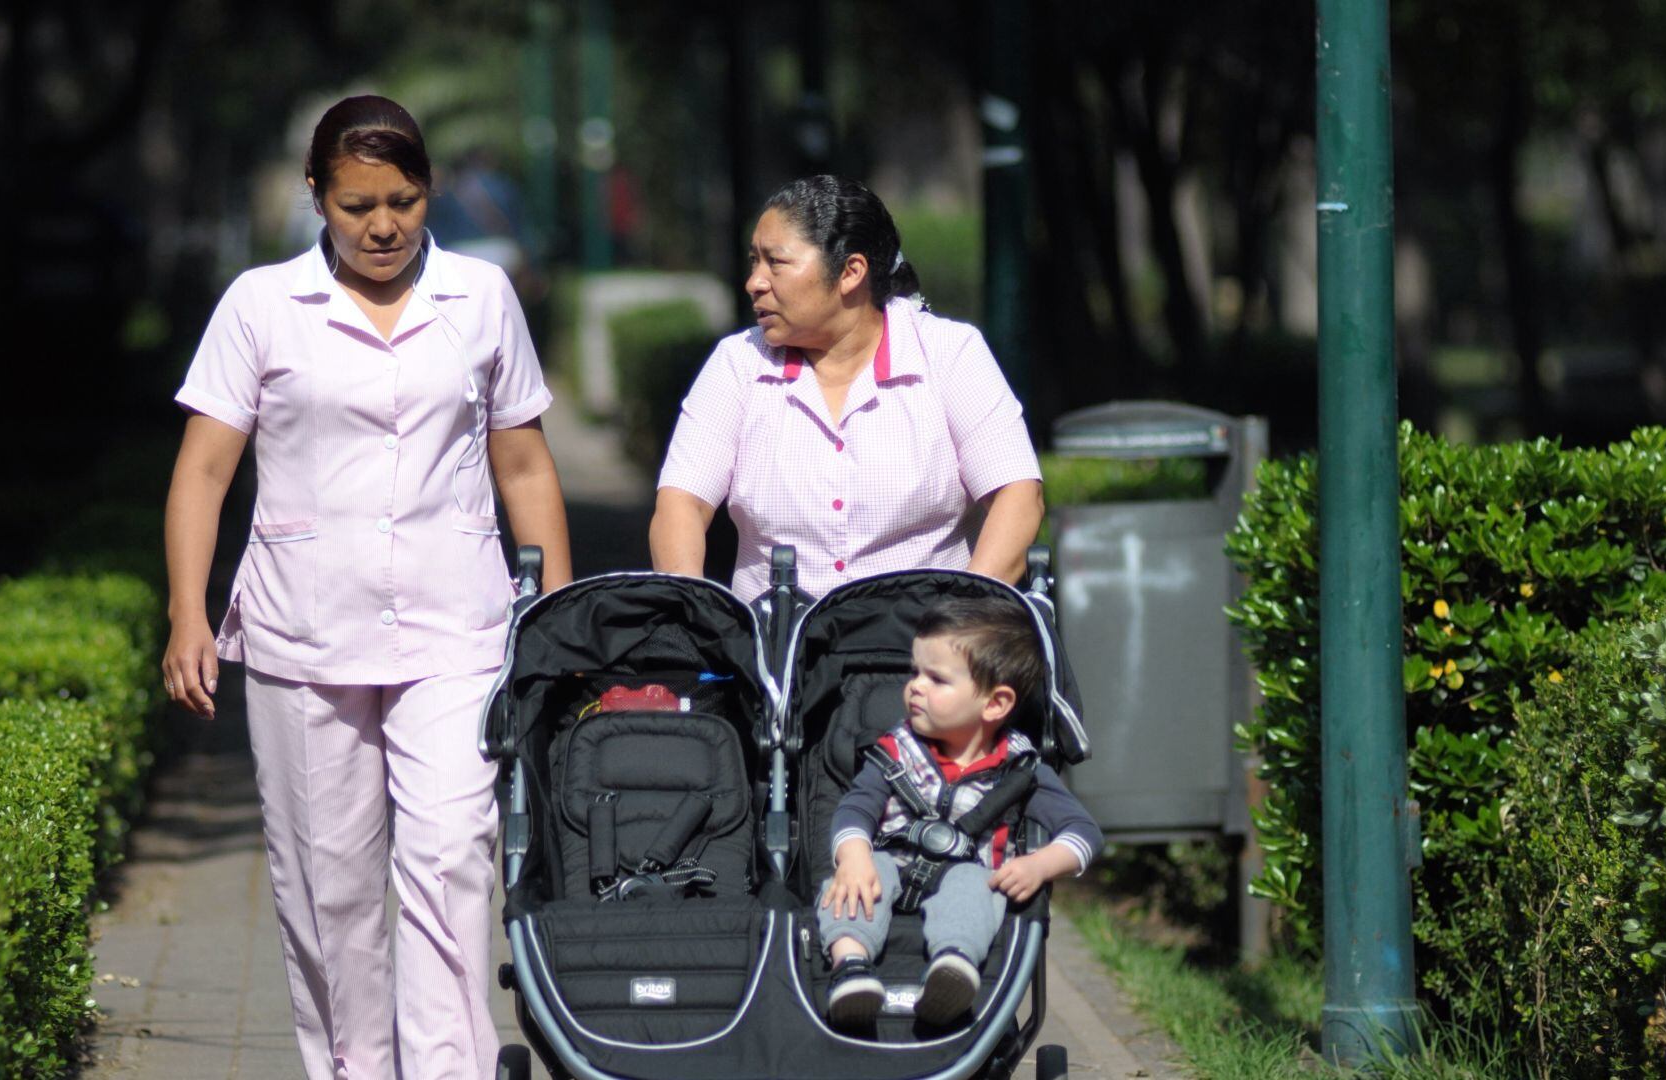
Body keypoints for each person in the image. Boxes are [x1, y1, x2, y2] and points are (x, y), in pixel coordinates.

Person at [159, 95, 571, 1079]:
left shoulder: (480, 296)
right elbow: (204, 470)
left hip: (456, 627)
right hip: (304, 631)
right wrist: (186, 613)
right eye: (356, 206)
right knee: (325, 889)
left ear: (429, 192)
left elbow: (525, 466)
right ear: (316, 197)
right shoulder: (260, 305)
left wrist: (558, 616)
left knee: (450, 857)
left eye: (403, 199)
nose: (383, 226)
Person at [651, 174, 1044, 601]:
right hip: (774, 654)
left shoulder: (950, 354)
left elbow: (1018, 497)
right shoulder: (737, 364)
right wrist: (691, 618)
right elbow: (681, 505)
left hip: (924, 650)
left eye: (776, 262)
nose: (755, 282)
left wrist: (959, 626)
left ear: (851, 272)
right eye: (753, 262)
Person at [816, 597, 1102, 1030]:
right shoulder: (895, 753)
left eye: (936, 678)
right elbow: (855, 807)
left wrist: (1041, 864)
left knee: (974, 883)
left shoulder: (1020, 771)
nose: (915, 686)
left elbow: (1084, 833)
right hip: (891, 864)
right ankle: (851, 966)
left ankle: (953, 968)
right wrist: (852, 855)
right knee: (857, 878)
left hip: (965, 873)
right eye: (915, 673)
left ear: (994, 703)